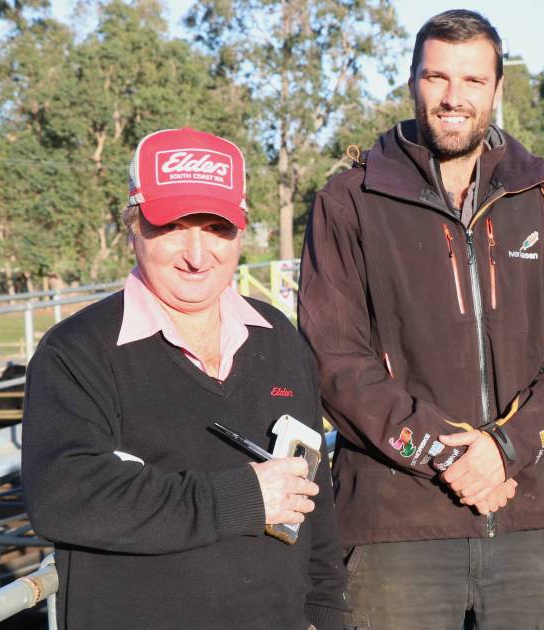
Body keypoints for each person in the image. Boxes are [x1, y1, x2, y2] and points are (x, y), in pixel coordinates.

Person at [298, 10, 544, 629]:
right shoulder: (349, 200)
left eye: (472, 80)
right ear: (412, 82)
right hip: (396, 526)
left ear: (497, 89)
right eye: (437, 78)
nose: (453, 98)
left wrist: (504, 448)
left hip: (528, 518)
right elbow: (335, 362)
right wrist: (448, 455)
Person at [22, 128, 345, 630]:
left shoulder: (278, 337)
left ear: (240, 232)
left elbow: (313, 498)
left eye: (217, 228)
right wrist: (242, 498)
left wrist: (327, 613)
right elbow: (66, 496)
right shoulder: (77, 351)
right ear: (133, 226)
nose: (198, 255)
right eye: (173, 226)